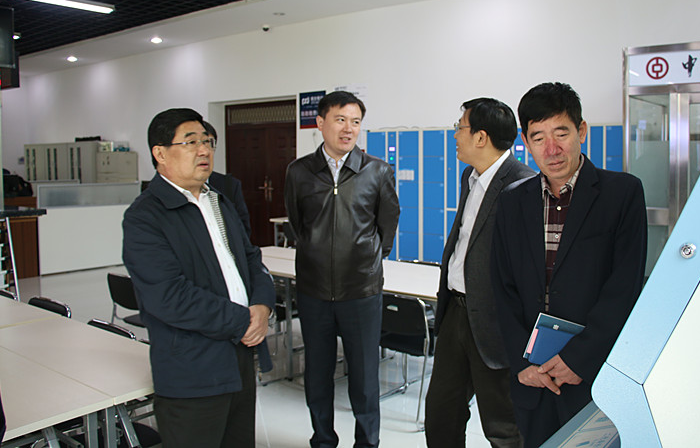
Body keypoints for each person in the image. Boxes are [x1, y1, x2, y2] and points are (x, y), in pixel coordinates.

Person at [490, 83, 646, 447]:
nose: (551, 148)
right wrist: (522, 363)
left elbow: (624, 288)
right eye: (538, 137)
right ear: (525, 143)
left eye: (561, 133)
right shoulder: (513, 201)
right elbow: (503, 287)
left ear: (582, 131)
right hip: (533, 377)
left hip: (591, 375)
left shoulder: (621, 194)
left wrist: (579, 358)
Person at [122, 108, 275, 448]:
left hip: (239, 358)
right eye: (190, 142)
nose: (204, 150)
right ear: (160, 154)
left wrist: (263, 306)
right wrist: (243, 320)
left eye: (207, 141)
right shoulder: (145, 218)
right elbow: (169, 296)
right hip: (192, 369)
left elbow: (251, 258)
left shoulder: (218, 201)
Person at [284, 91, 400, 448]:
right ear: (320, 123)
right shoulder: (299, 172)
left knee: (364, 378)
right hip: (314, 290)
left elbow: (387, 226)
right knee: (317, 375)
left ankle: (367, 443)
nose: (348, 129)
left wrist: (366, 260)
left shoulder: (377, 171)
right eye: (340, 120)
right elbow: (298, 225)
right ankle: (322, 440)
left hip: (361, 291)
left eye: (355, 122)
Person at [425, 98, 534, 448]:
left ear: (481, 137)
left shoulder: (524, 185)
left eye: (460, 127)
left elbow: (530, 270)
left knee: (502, 426)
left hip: (494, 322)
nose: (455, 135)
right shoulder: (469, 177)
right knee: (441, 414)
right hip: (455, 314)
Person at [201, 120, 252, 236]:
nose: (205, 151)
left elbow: (243, 229)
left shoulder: (229, 185)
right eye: (194, 143)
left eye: (209, 143)